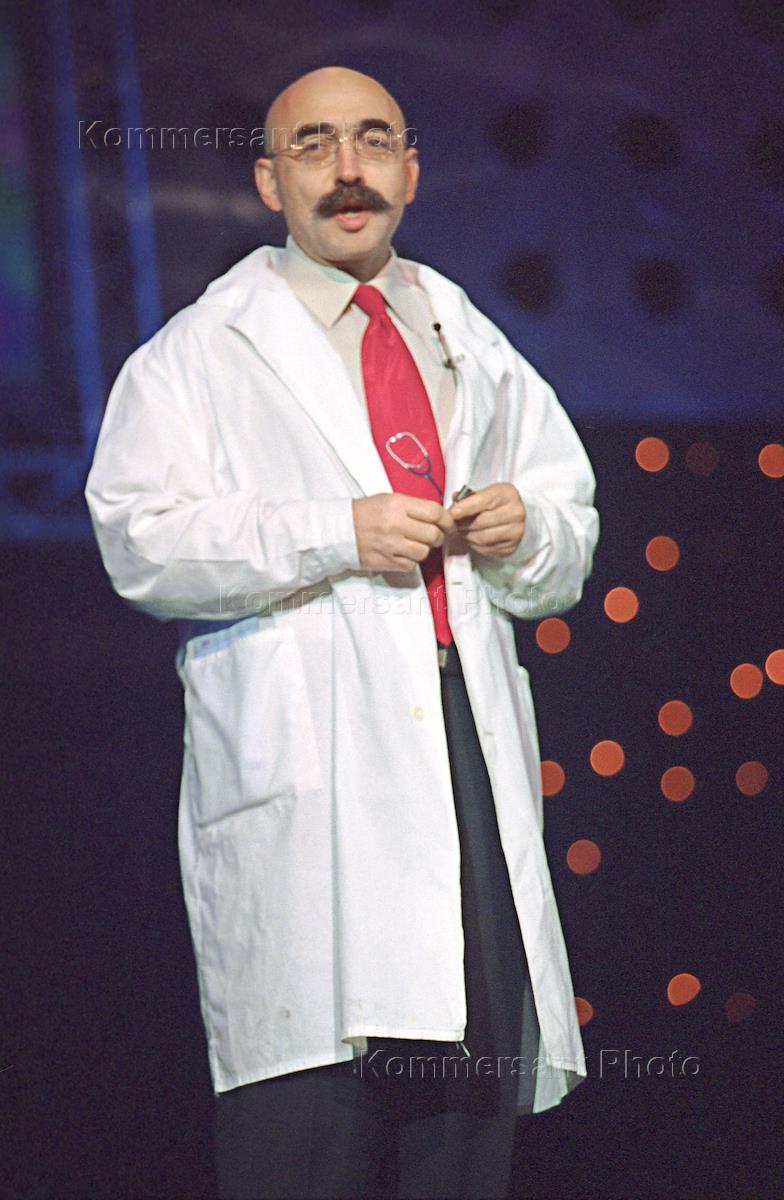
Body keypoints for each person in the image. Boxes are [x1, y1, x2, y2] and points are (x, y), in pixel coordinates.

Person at [85, 65, 599, 1200]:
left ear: (411, 170)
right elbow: (139, 539)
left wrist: (525, 528)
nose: (348, 170)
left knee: (463, 1136)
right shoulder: (201, 352)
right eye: (313, 146)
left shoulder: (466, 334)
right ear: (270, 182)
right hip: (316, 787)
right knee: (309, 1138)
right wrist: (335, 532)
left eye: (373, 141)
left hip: (463, 759)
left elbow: (570, 530)